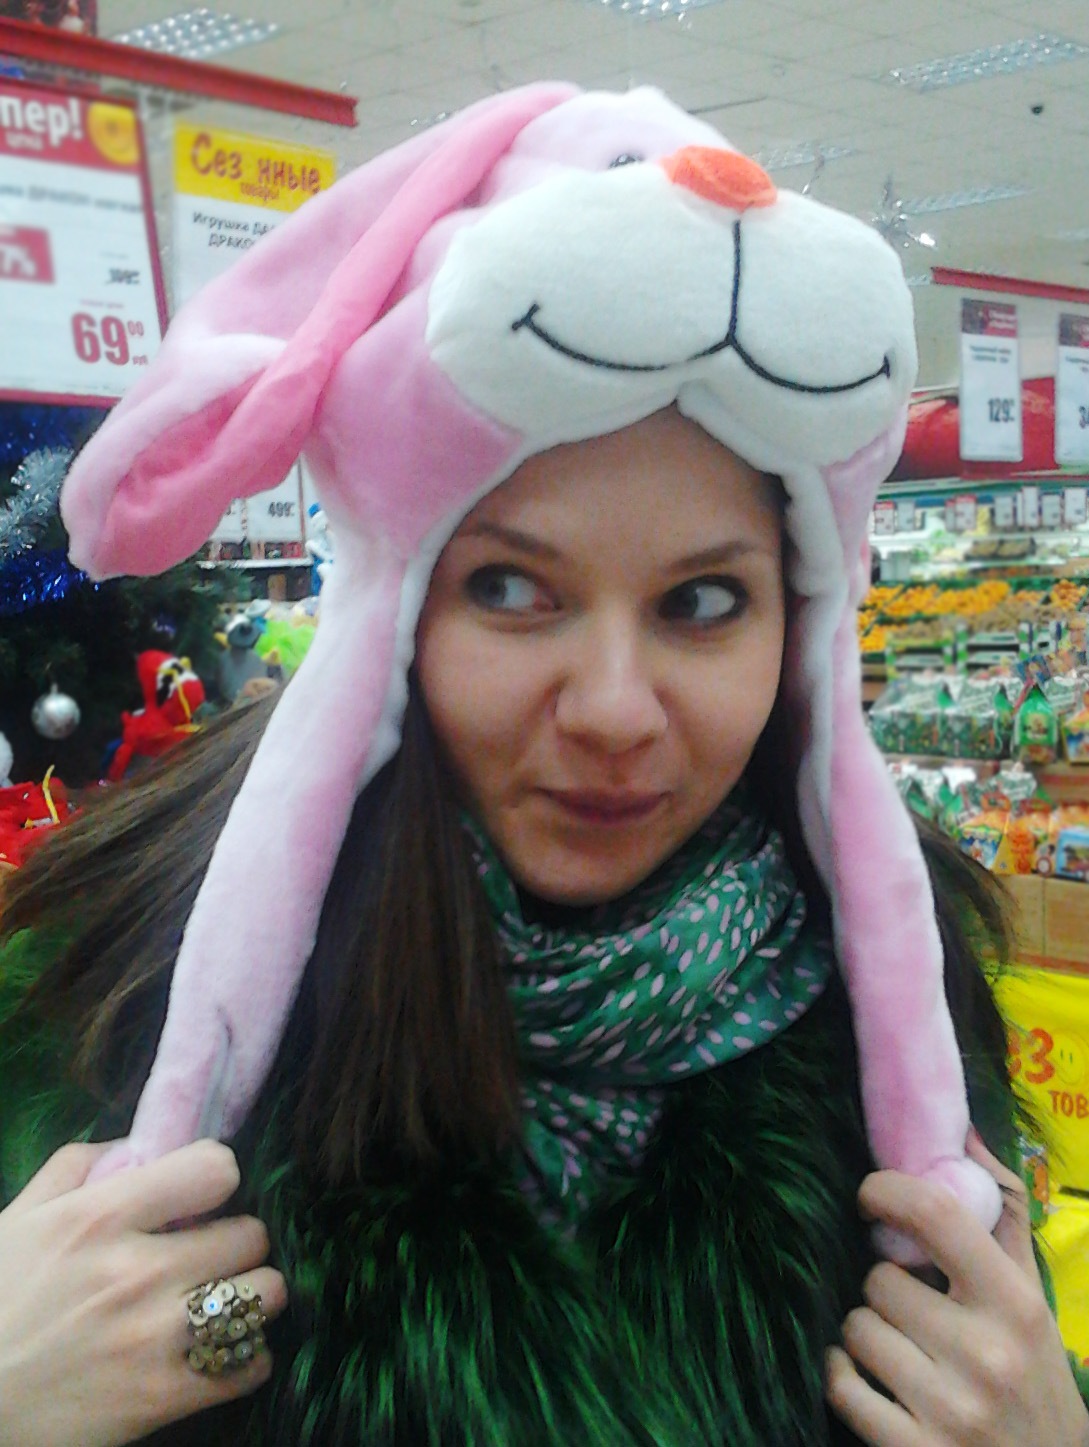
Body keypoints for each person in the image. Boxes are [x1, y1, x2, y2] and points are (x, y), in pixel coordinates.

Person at [0, 82, 1087, 1446]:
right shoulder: (113, 985)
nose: (615, 710)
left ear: (798, 621)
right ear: (397, 605)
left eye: (702, 602)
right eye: (512, 589)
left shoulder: (896, 1001)